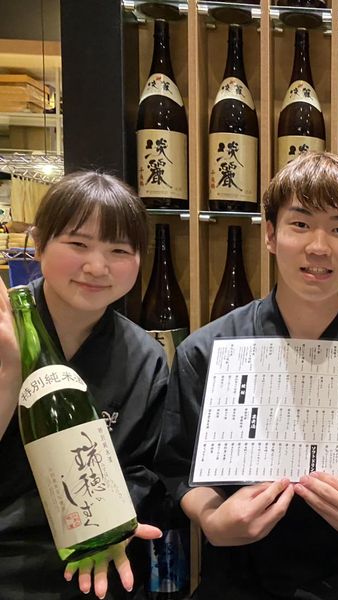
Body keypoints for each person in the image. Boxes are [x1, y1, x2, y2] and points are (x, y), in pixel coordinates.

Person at [155, 152, 338, 600]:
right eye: (300, 224)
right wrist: (210, 517)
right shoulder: (206, 352)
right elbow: (177, 464)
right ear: (270, 234)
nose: (318, 247)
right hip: (239, 584)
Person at [0, 171, 167, 599]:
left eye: (119, 250)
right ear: (39, 244)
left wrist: (116, 525)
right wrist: (8, 377)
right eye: (78, 244)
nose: (96, 267)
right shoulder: (5, 331)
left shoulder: (144, 356)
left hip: (100, 557)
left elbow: (142, 467)